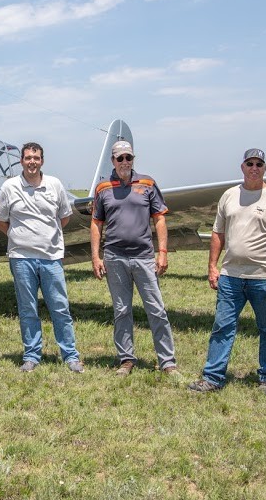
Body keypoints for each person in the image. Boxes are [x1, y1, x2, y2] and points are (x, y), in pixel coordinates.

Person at [187, 149, 266, 395]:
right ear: (242, 167)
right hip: (231, 276)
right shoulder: (229, 195)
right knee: (222, 327)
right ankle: (213, 377)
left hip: (264, 277)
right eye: (250, 163)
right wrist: (212, 266)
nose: (254, 168)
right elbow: (218, 232)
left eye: (259, 164)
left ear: (264, 168)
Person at [90, 141, 179, 376]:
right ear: (113, 161)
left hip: (143, 257)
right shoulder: (103, 188)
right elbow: (96, 223)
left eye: (128, 157)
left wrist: (162, 252)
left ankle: (167, 362)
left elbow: (159, 218)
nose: (124, 162)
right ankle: (126, 359)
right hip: (114, 257)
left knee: (156, 309)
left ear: (133, 159)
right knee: (121, 310)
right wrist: (96, 256)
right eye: (119, 158)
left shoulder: (148, 183)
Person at [0, 142, 83, 373]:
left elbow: (64, 217)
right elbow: (0, 220)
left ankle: (70, 355)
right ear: (21, 161)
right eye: (27, 158)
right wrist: (19, 236)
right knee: (27, 308)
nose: (31, 161)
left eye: (36, 157)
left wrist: (47, 236)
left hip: (51, 257)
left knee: (60, 307)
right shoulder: (9, 187)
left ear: (42, 160)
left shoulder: (55, 184)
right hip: (21, 257)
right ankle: (31, 355)